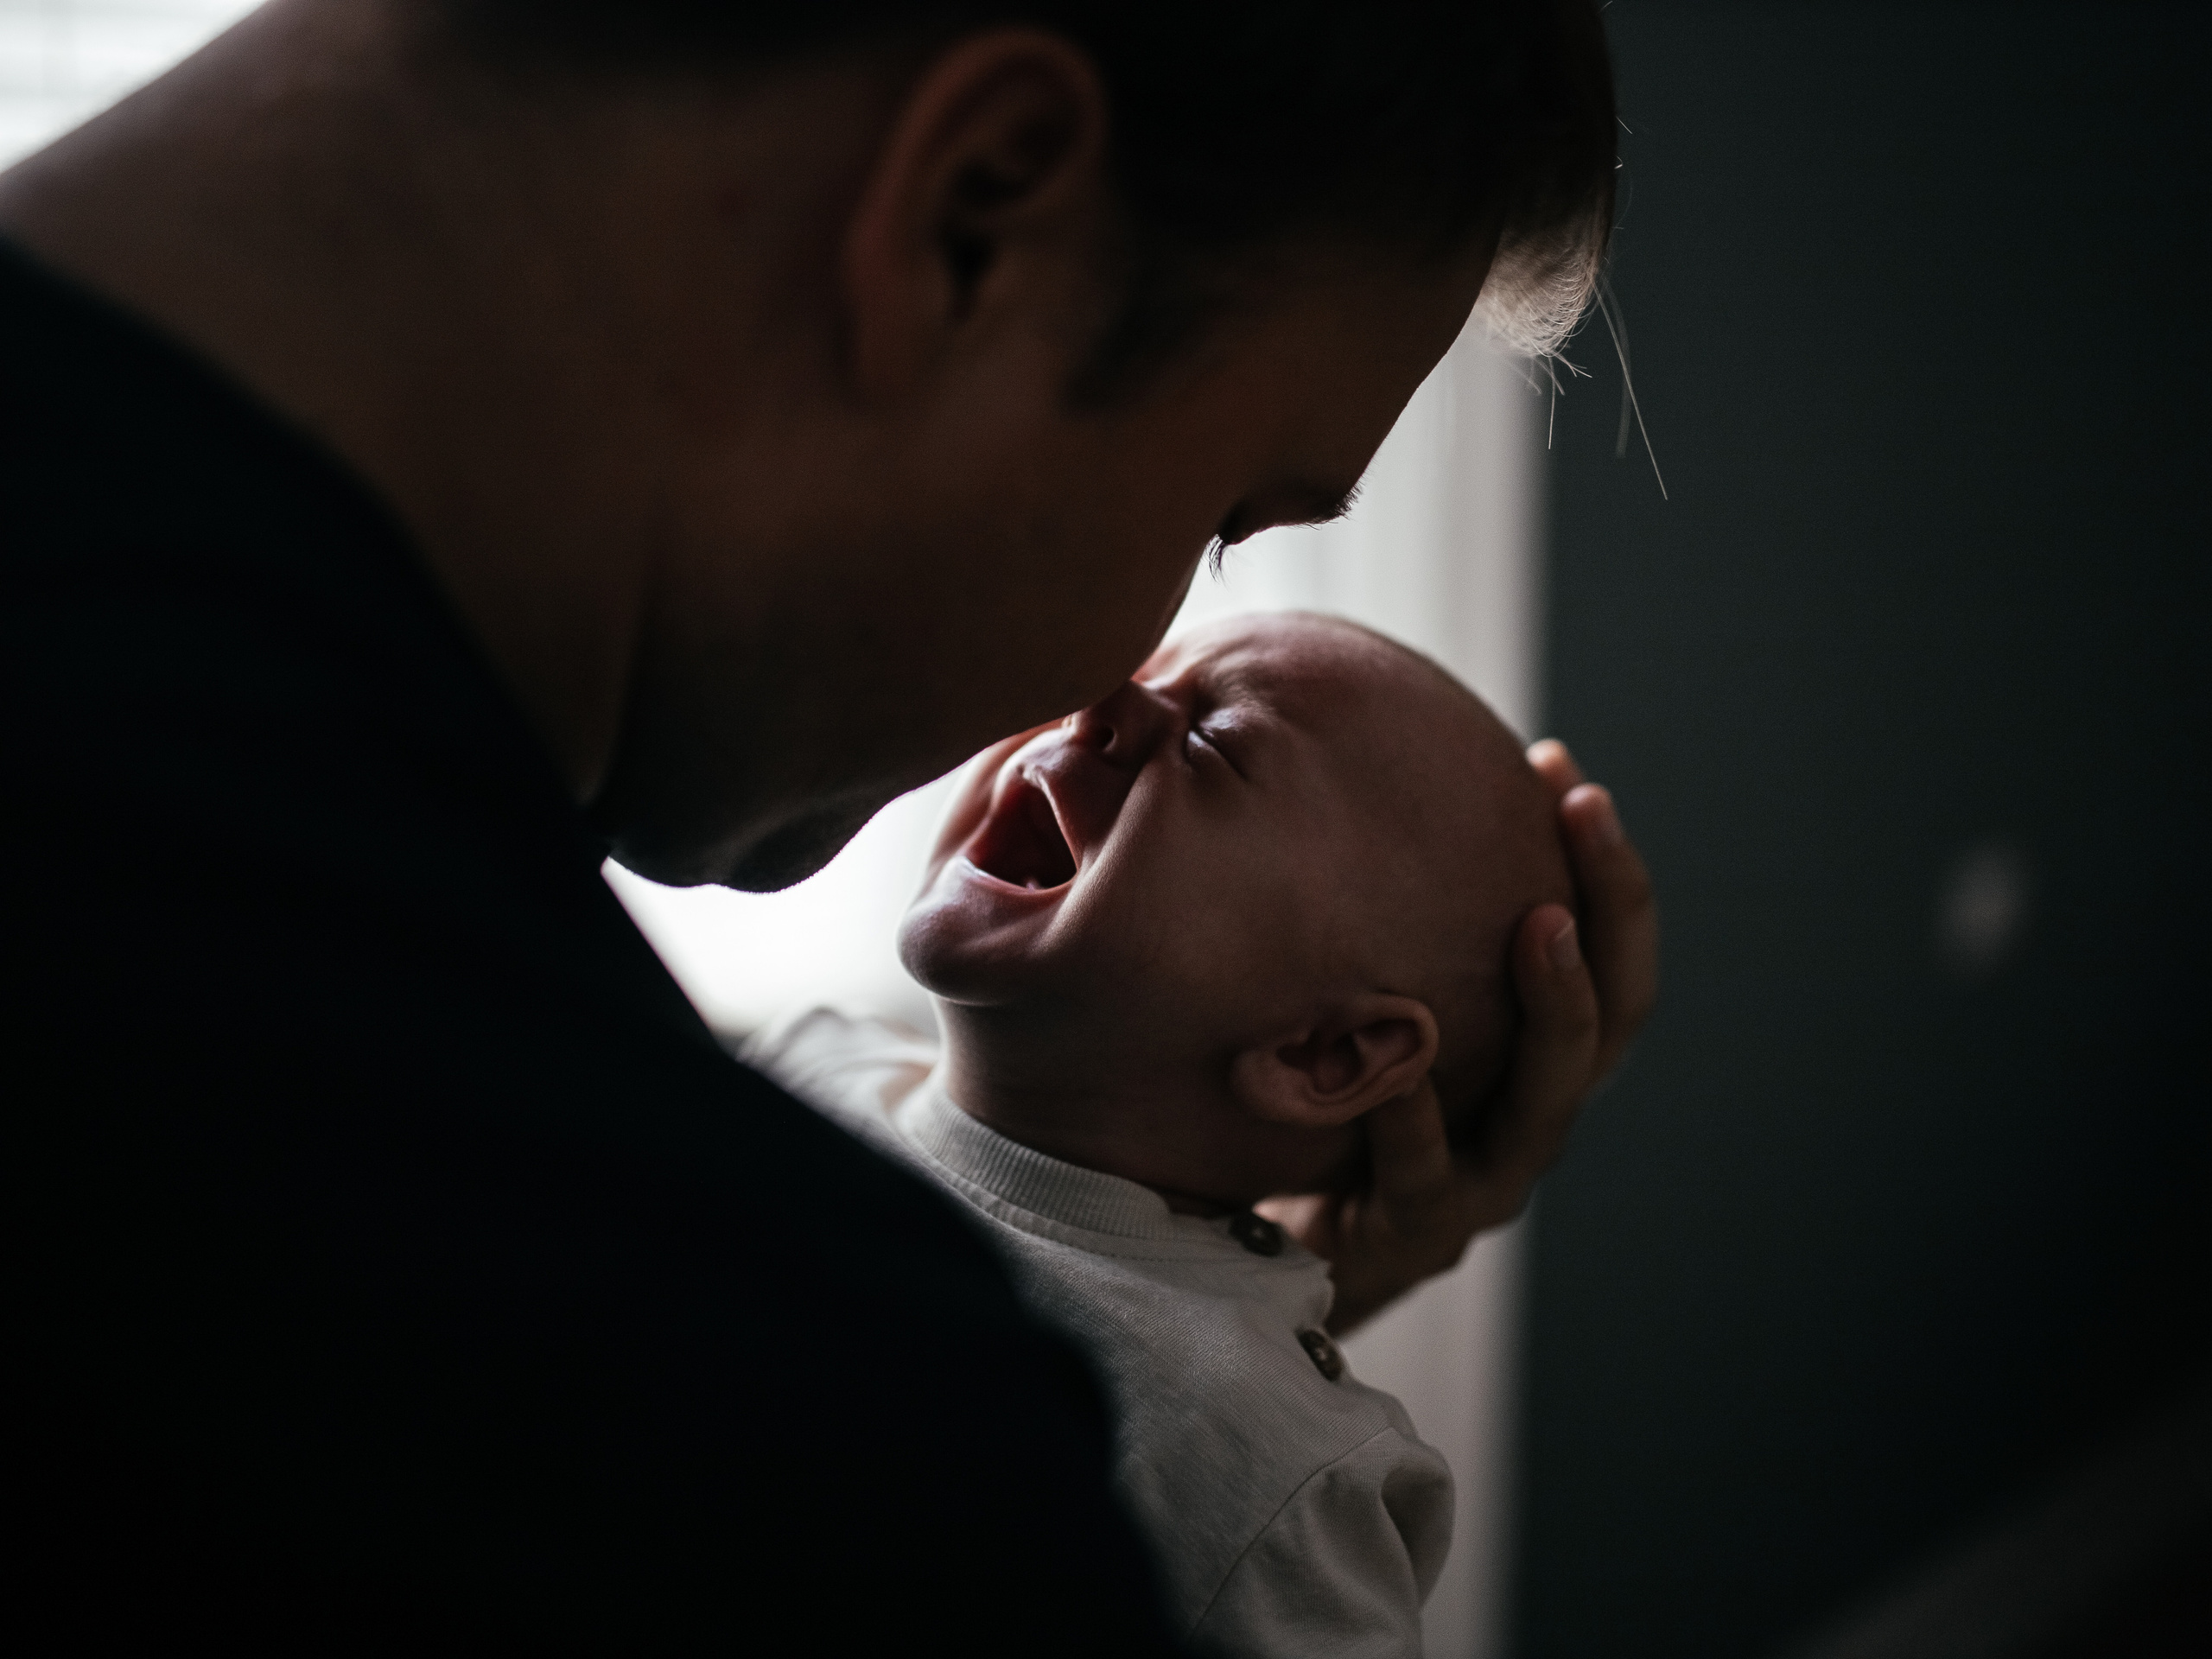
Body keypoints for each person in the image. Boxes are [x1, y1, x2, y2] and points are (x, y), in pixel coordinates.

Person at [0, 0, 1655, 1641]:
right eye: (1228, 514)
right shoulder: (795, 1460)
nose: (1112, 684)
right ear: (976, 216)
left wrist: (1169, 1328)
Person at [758, 613, 1573, 1657]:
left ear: (1324, 1052)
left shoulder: (1255, 1462)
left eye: (1214, 744)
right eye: (1140, 670)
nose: (1102, 695)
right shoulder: (786, 1071)